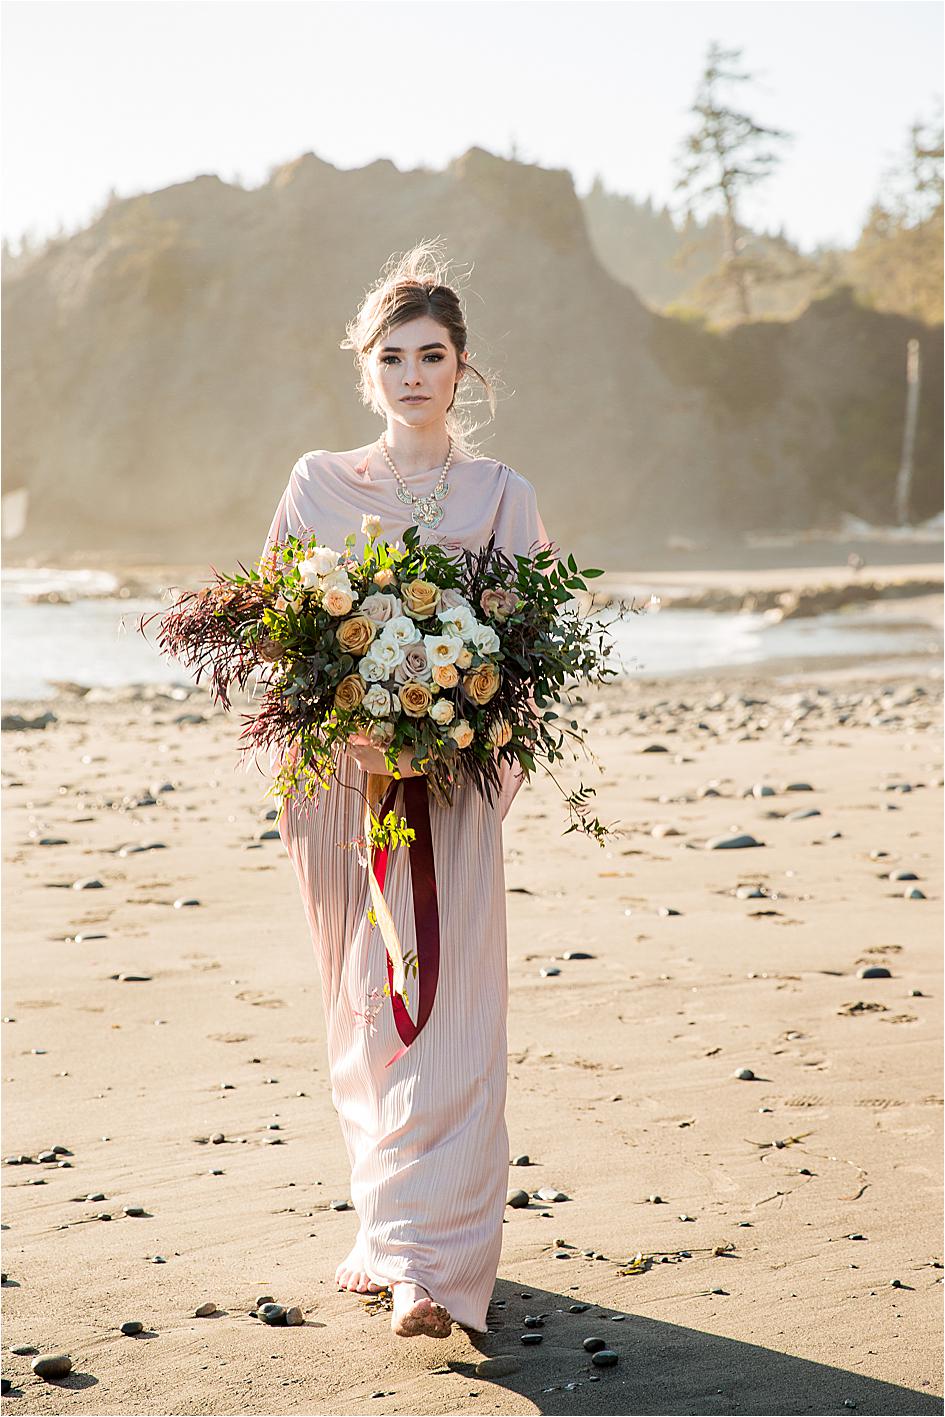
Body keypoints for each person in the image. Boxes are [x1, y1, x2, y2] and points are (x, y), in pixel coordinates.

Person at [256, 241, 551, 1339]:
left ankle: (437, 1270)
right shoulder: (319, 484)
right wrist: (362, 733)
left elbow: (529, 657)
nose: (413, 374)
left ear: (463, 369)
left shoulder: (500, 496)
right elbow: (283, 640)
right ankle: (389, 1234)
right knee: (368, 1006)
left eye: (433, 355)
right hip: (346, 790)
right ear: (366, 370)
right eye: (394, 357)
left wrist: (453, 736)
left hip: (456, 790)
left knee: (452, 1017)